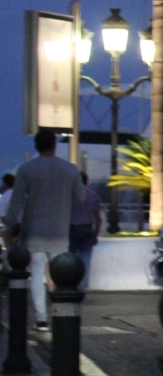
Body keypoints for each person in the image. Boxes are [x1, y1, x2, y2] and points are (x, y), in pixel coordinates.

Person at [3, 130, 85, 330]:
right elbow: (80, 198)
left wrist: (9, 227)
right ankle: (59, 312)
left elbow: (16, 201)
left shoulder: (27, 169)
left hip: (34, 232)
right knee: (59, 275)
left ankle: (41, 319)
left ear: (37, 146)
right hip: (59, 232)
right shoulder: (70, 170)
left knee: (36, 274)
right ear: (54, 145)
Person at [68, 172, 101, 292]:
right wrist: (96, 234)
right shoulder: (93, 196)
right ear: (87, 181)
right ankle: (82, 286)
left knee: (72, 258)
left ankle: (72, 284)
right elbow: (98, 218)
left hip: (73, 228)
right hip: (87, 228)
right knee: (86, 259)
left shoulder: (70, 195)